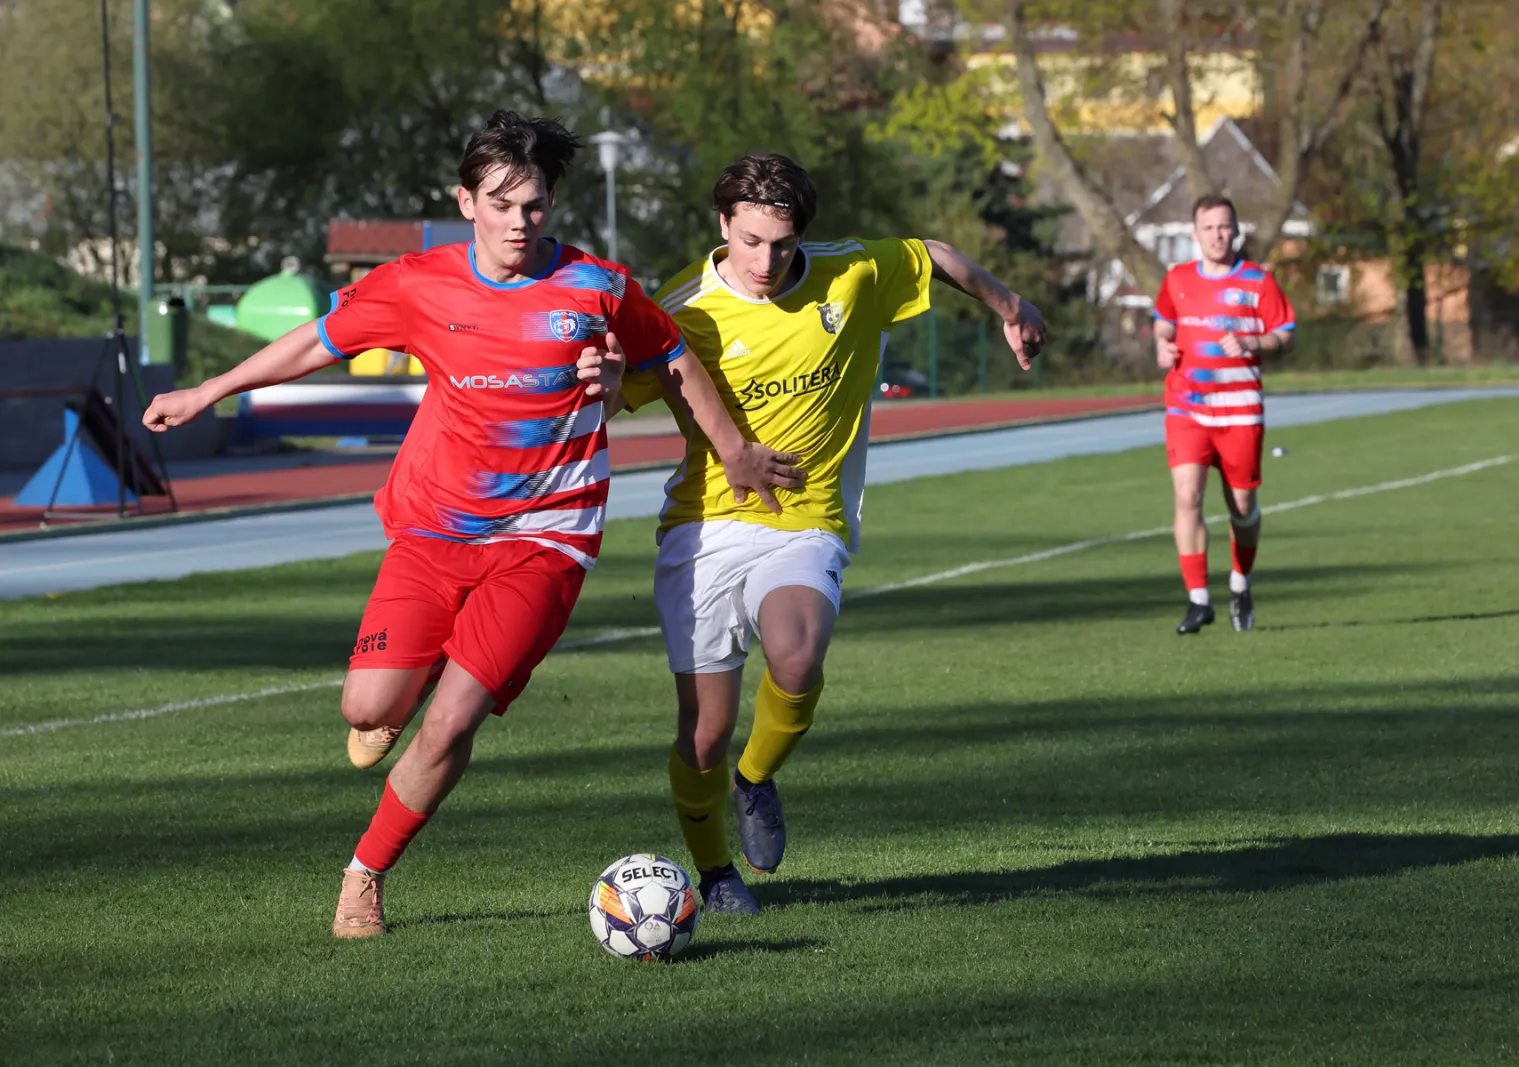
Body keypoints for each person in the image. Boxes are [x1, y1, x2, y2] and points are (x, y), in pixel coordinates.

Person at [142, 111, 799, 938]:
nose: (519, 221)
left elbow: (670, 359)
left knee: (453, 718)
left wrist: (733, 450)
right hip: (434, 529)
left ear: (552, 202)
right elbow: (318, 341)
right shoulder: (418, 284)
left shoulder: (597, 285)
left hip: (547, 539)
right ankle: (400, 692)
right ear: (466, 202)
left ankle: (364, 875)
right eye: (501, 203)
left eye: (534, 205)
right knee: (364, 709)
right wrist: (207, 391)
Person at [614, 153, 1047, 913]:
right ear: (723, 224)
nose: (765, 261)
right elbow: (616, 391)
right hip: (704, 528)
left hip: (805, 520)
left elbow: (934, 255)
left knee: (797, 652)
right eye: (750, 241)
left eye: (782, 244)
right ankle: (715, 873)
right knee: (704, 732)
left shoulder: (850, 273)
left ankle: (755, 778)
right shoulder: (682, 307)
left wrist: (1011, 305)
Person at [1152, 194, 1295, 634]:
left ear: (1236, 230)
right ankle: (1198, 600)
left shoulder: (1258, 281)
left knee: (1242, 507)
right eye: (1209, 228)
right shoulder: (1177, 279)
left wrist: (1254, 342)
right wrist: (1162, 344)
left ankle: (1240, 581)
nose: (1217, 235)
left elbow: (1285, 335)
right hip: (1188, 407)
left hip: (1240, 411)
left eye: (1224, 227)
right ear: (1195, 234)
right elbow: (1163, 321)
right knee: (1187, 497)